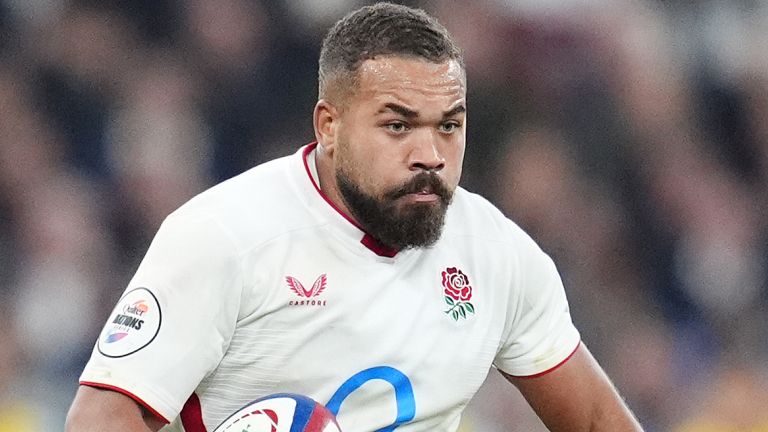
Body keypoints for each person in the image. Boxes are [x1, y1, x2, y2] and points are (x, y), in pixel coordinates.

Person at [66, 3, 643, 431]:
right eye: (397, 125)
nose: (430, 154)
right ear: (329, 127)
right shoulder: (223, 238)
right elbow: (101, 419)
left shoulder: (498, 255)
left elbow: (597, 421)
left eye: (449, 125)